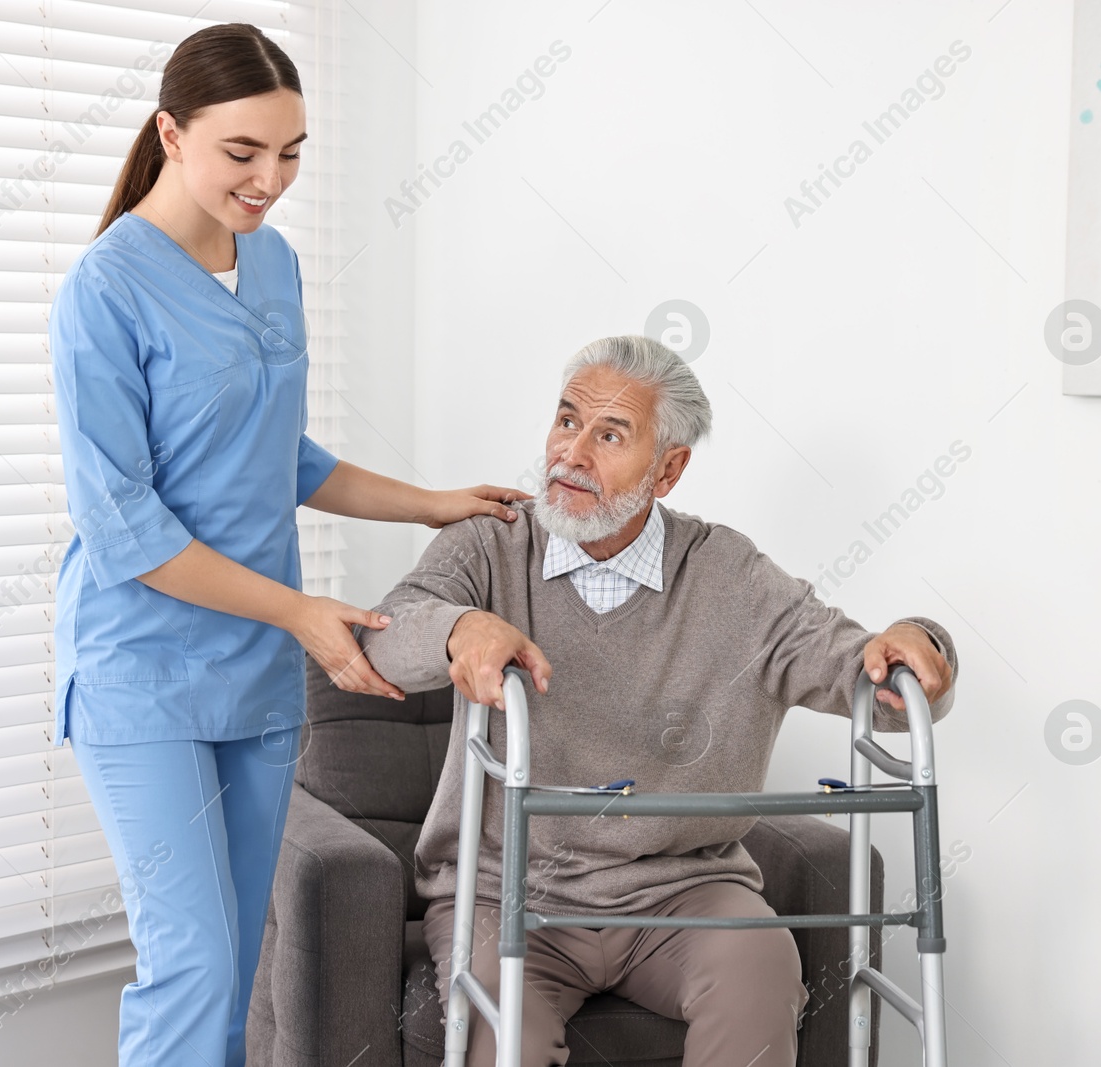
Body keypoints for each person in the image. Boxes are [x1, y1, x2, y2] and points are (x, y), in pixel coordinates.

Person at [49, 24, 524, 1067]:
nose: (272, 179)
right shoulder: (105, 289)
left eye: (293, 151)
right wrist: (304, 611)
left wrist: (432, 503)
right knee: (192, 967)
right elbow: (126, 526)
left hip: (253, 673)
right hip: (142, 672)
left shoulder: (273, 266)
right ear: (170, 135)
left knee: (235, 974)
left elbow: (280, 454)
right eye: (244, 152)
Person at [355, 334, 960, 1067]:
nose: (572, 453)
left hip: (686, 889)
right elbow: (386, 640)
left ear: (669, 469)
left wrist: (915, 643)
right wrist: (459, 628)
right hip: (503, 888)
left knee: (762, 973)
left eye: (610, 435)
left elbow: (865, 677)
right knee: (496, 1026)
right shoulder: (489, 543)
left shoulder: (730, 575)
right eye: (567, 419)